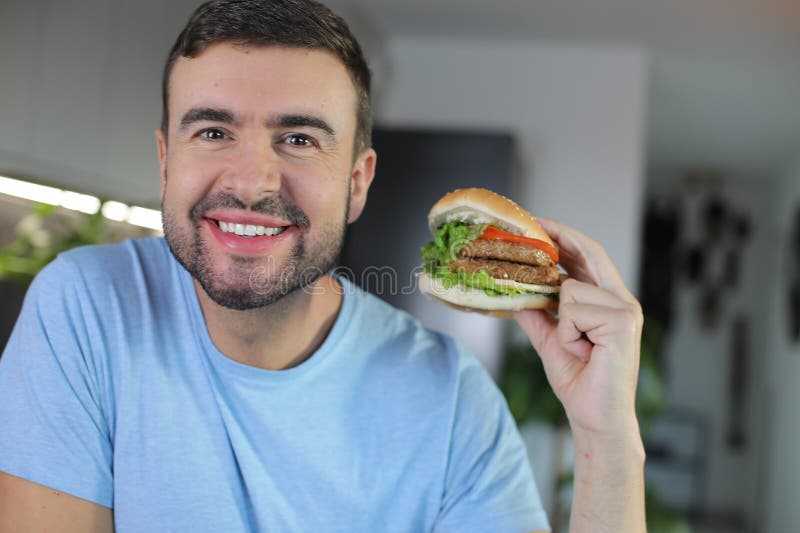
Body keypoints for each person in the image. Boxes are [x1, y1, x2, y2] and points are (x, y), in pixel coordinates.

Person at [0, 0, 645, 531]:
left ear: (358, 182)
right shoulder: (85, 308)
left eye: (300, 139)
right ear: (166, 161)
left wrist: (606, 434)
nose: (252, 182)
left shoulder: (452, 400)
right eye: (213, 132)